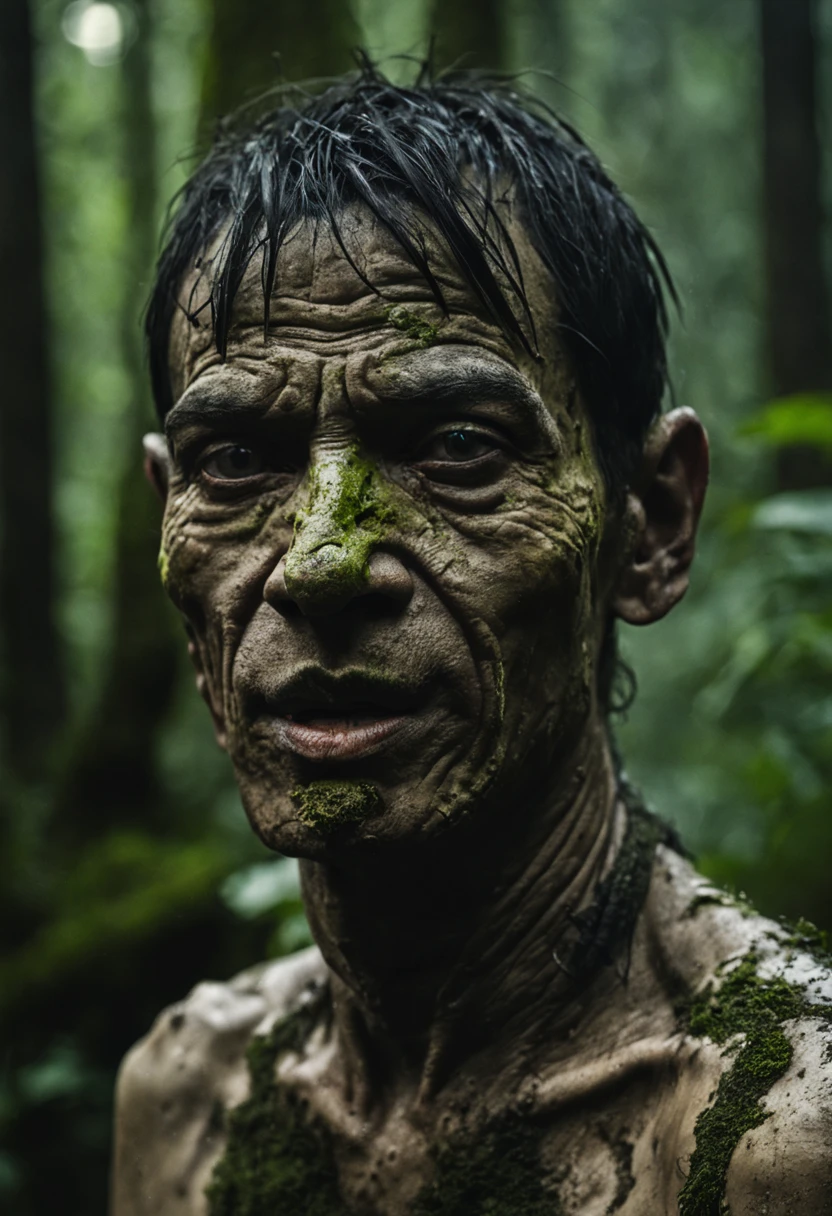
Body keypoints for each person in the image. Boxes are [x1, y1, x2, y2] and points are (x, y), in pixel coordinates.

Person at [111, 67, 832, 1216]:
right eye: (237, 461)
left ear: (648, 521)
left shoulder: (770, 1137)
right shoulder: (188, 1100)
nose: (320, 561)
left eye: (454, 444)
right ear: (168, 521)